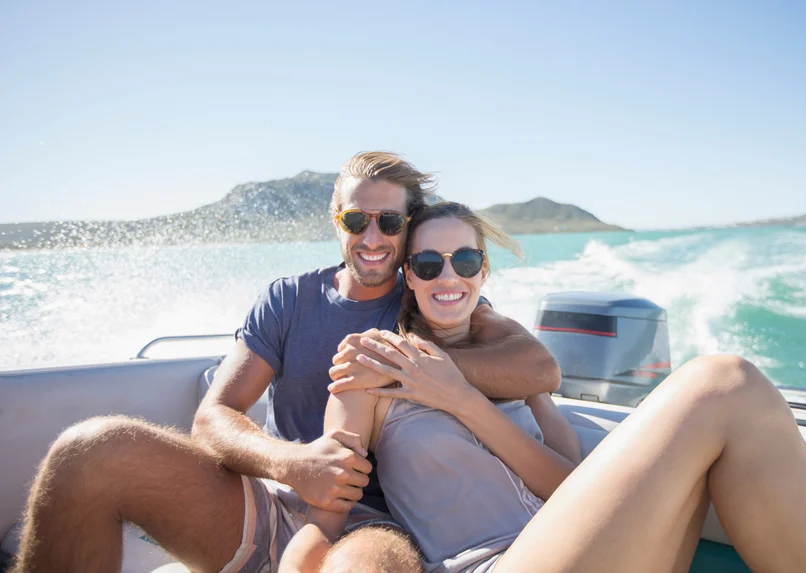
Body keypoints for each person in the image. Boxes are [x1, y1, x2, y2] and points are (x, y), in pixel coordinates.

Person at [12, 153, 561, 573]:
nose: (371, 238)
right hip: (266, 495)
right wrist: (292, 465)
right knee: (89, 451)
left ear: (409, 228)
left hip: (368, 523)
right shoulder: (288, 299)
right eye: (355, 219)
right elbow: (215, 416)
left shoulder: (430, 293)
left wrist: (422, 371)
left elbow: (538, 370)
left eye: (389, 223)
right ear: (335, 220)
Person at [280, 202, 806, 573]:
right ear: (409, 275)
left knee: (734, 401)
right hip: (486, 564)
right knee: (723, 382)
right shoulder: (373, 365)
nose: (447, 275)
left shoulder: (521, 371)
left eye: (464, 259)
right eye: (428, 263)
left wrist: (459, 395)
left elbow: (566, 485)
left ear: (484, 271)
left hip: (584, 549)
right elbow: (325, 517)